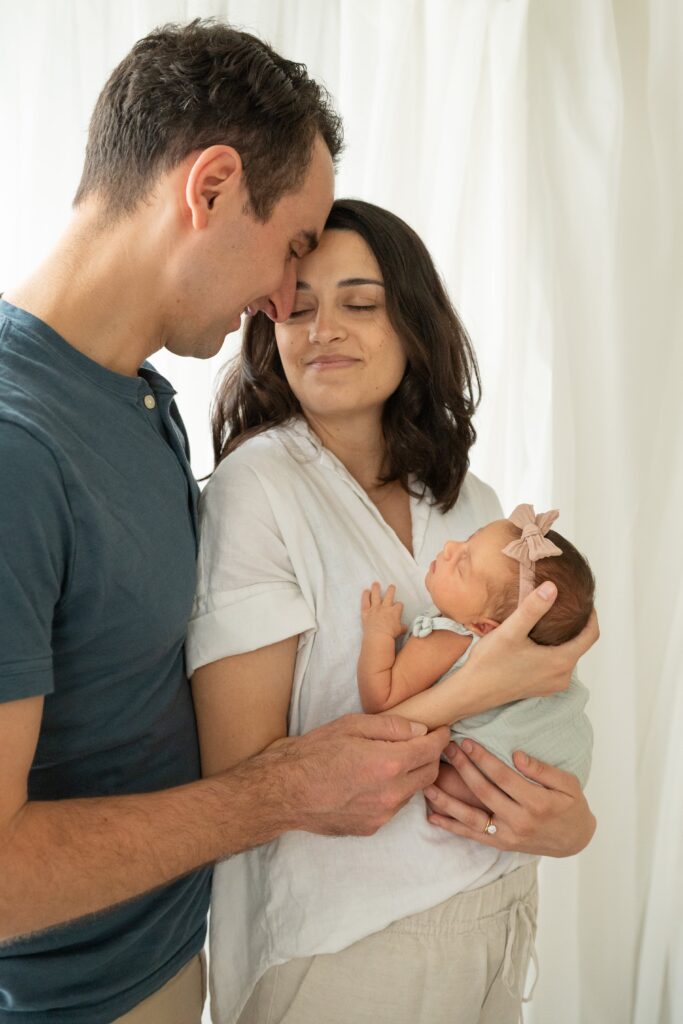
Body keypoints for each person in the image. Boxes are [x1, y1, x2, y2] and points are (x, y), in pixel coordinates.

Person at [0, 21, 466, 1024]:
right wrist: (281, 793)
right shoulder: (15, 452)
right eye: (293, 245)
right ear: (209, 188)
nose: (284, 297)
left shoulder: (136, 399)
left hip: (178, 968)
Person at [188, 198, 599, 1024]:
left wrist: (570, 827)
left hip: (497, 913)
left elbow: (541, 699)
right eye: (297, 307)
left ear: (412, 325)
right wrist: (472, 686)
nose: (322, 328)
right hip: (344, 948)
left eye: (360, 304)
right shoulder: (258, 490)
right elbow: (243, 779)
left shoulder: (469, 501)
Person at [358, 504, 595, 789]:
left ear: (483, 628)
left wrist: (378, 631)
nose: (448, 547)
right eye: (468, 539)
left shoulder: (448, 637)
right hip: (563, 759)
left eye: (461, 566)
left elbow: (379, 702)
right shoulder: (533, 653)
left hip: (513, 768)